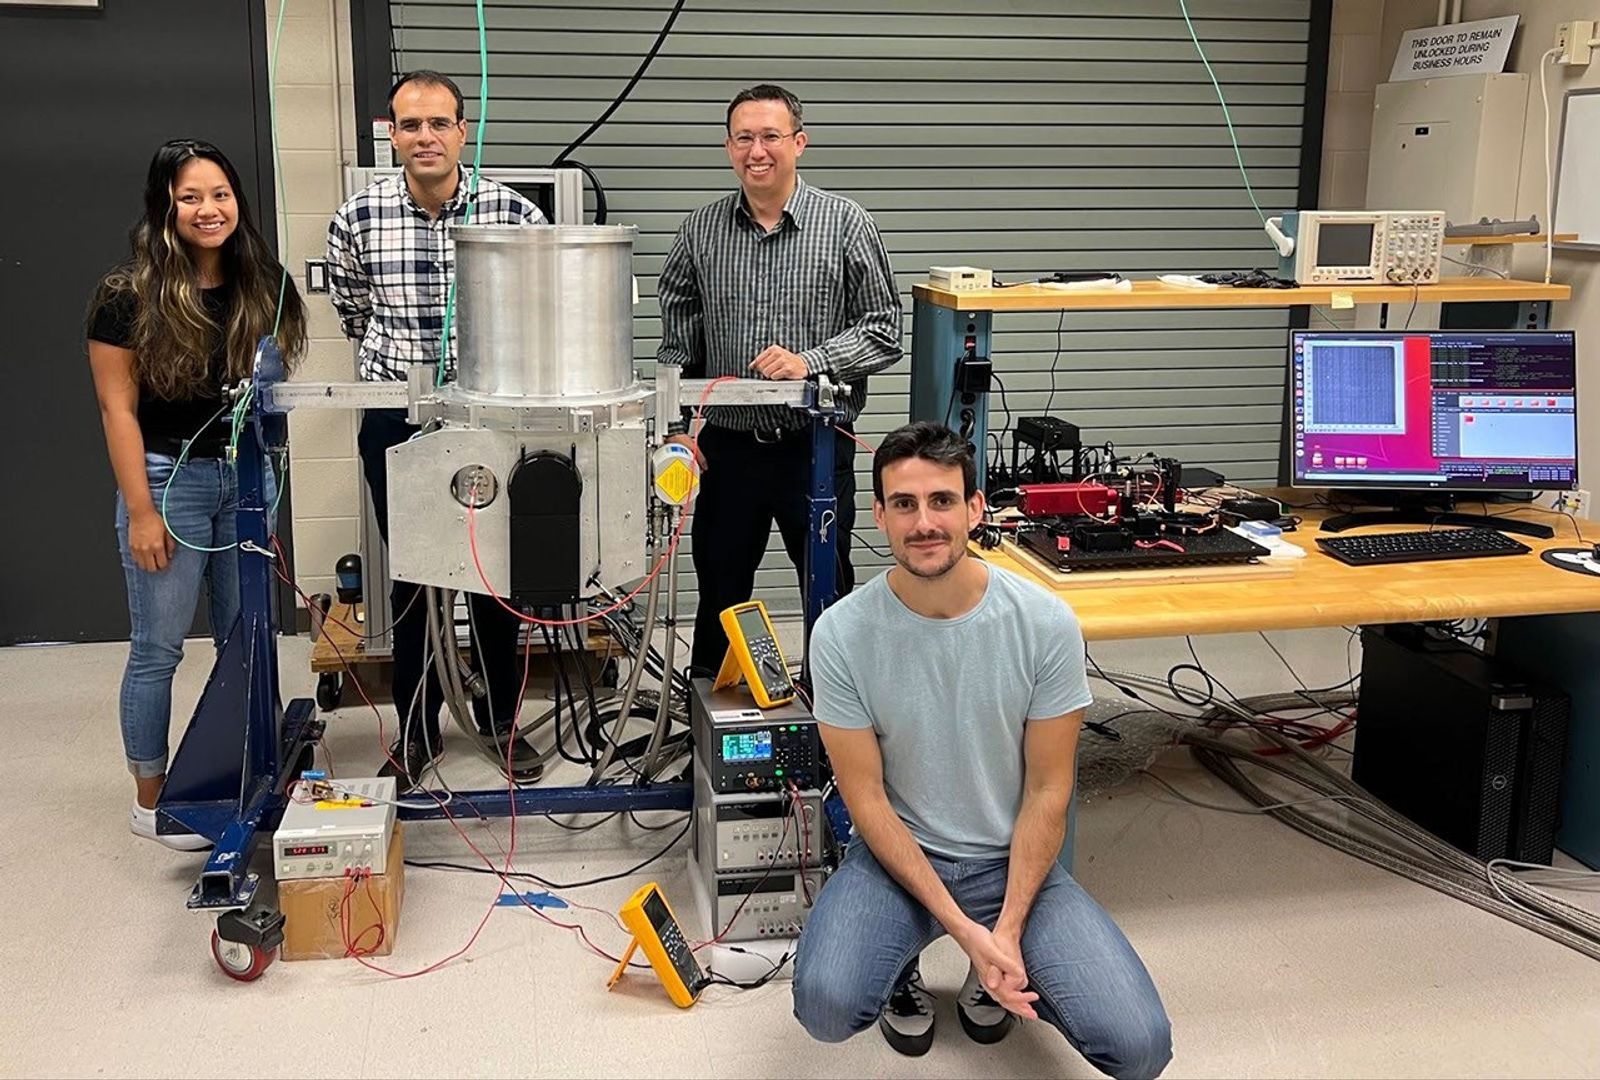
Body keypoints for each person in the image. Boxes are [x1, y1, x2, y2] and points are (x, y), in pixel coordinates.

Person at [792, 423, 1172, 1078]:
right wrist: (963, 927)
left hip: (1009, 859)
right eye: (904, 504)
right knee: (827, 1006)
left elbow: (1049, 791)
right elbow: (867, 801)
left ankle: (990, 967)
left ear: (974, 508)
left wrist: (1006, 929)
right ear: (879, 514)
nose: (924, 522)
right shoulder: (841, 635)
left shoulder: (1044, 624)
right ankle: (910, 958)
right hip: (898, 860)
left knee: (1139, 1049)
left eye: (942, 501)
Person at [326, 70, 548, 791]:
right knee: (415, 577)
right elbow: (354, 315)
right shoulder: (356, 218)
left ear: (463, 129)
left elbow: (539, 314)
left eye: (439, 123)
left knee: (493, 578)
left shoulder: (512, 216)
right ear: (391, 132)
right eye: (409, 124)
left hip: (491, 416)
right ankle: (416, 731)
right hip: (399, 415)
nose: (425, 137)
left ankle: (496, 724)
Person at [87, 138, 307, 849]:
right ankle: (151, 797)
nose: (208, 210)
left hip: (244, 479)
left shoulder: (264, 284)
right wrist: (143, 513)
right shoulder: (126, 296)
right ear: (165, 207)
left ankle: (236, 770)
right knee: (158, 648)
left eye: (220, 194)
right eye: (190, 197)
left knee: (247, 640)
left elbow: (271, 387)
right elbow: (118, 409)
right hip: (166, 482)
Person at [654, 83, 902, 677]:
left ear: (799, 142)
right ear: (728, 147)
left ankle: (834, 722)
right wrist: (676, 432)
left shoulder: (845, 223)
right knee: (719, 590)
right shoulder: (700, 230)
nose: (757, 150)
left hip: (814, 448)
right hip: (727, 452)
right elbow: (676, 344)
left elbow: (885, 329)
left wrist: (812, 360)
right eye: (744, 138)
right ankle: (706, 729)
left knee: (828, 593)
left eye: (770, 136)